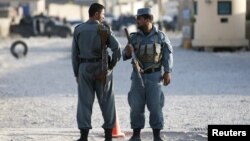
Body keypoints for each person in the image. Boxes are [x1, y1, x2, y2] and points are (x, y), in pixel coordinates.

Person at [71, 3, 121, 141]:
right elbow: (117, 49)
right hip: (102, 68)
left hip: (84, 68)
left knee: (84, 102)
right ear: (97, 14)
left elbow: (74, 54)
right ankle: (108, 137)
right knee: (107, 102)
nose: (104, 16)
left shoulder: (79, 29)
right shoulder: (104, 29)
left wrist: (77, 73)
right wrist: (110, 67)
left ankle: (84, 136)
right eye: (103, 14)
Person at [122, 8, 173, 141]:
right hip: (137, 77)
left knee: (156, 106)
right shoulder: (133, 37)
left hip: (155, 76)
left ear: (148, 19)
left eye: (139, 18)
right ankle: (136, 135)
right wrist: (128, 51)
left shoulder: (160, 36)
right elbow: (124, 55)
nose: (137, 21)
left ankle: (157, 136)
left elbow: (167, 55)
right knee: (136, 106)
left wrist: (167, 72)